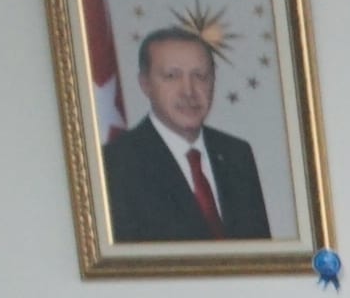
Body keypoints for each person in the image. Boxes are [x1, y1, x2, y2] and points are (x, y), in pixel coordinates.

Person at [99, 27, 273, 243]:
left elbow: (258, 250)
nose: (189, 91)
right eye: (172, 76)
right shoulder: (116, 163)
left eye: (200, 76)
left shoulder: (237, 154)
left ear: (213, 81)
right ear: (145, 84)